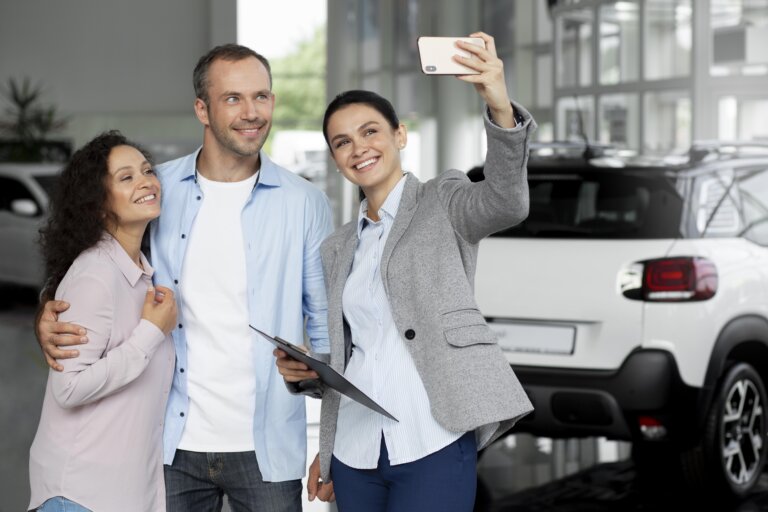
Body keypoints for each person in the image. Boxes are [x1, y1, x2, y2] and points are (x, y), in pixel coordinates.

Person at [36, 44, 332, 511]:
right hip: (168, 444)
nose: (252, 112)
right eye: (233, 98)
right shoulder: (158, 190)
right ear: (202, 108)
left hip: (268, 447)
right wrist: (49, 305)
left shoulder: (305, 202)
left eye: (262, 96)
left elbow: (324, 329)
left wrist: (327, 430)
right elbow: (97, 254)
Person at [275, 32, 535, 511]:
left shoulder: (443, 199)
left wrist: (499, 104)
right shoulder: (337, 247)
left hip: (430, 434)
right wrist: (307, 373)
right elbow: (356, 352)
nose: (358, 148)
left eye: (370, 131)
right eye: (342, 142)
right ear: (335, 160)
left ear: (399, 135)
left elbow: (506, 202)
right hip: (355, 447)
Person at [28, 131, 177, 512]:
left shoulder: (138, 273)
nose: (145, 181)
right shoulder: (96, 275)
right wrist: (150, 334)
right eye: (126, 177)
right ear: (98, 204)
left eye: (146, 171)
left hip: (116, 493)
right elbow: (69, 387)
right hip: (80, 493)